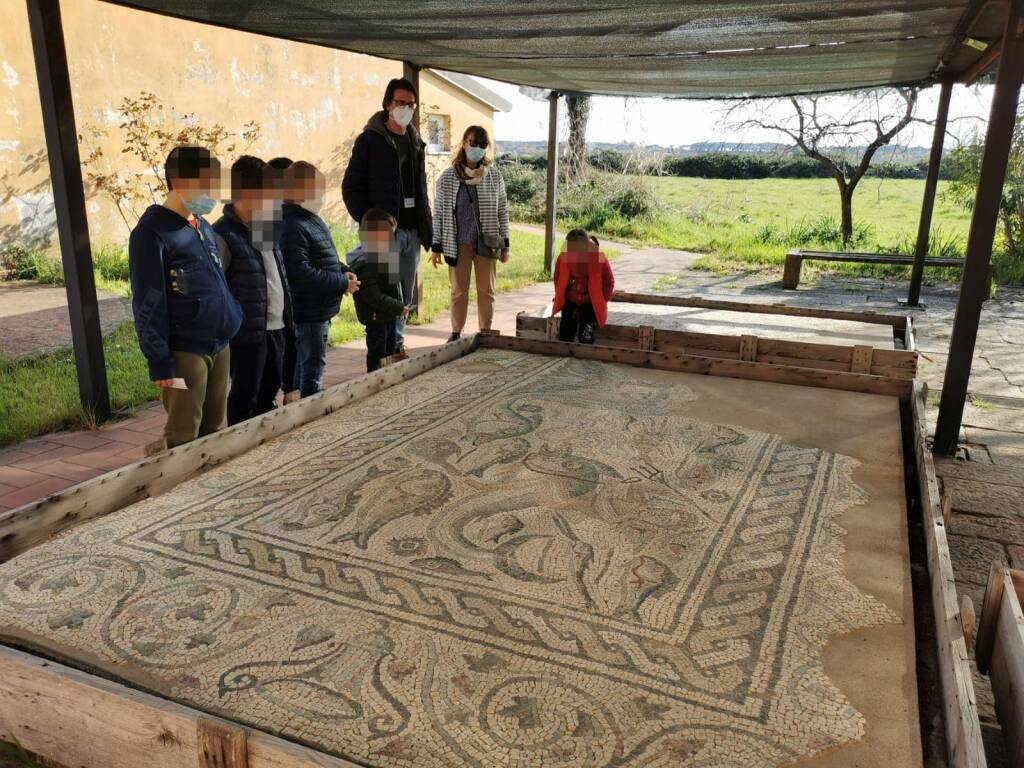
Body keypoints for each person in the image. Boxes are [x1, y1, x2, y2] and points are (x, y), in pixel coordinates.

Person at [128, 146, 242, 448]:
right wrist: (160, 363)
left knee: (214, 428)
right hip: (184, 353)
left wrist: (233, 315)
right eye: (206, 184)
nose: (213, 193)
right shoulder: (151, 233)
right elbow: (147, 303)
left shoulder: (202, 225)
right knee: (183, 434)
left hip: (219, 344)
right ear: (178, 182)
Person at [342, 77, 433, 357]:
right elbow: (351, 187)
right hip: (385, 235)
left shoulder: (415, 140)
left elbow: (420, 188)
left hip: (411, 232)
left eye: (411, 104)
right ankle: (381, 353)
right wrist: (371, 223)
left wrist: (425, 226)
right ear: (387, 104)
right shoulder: (370, 140)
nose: (406, 109)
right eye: (400, 103)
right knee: (385, 295)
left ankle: (397, 345)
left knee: (404, 296)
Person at [213, 155, 291, 425]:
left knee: (270, 390)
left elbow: (276, 272)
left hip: (275, 326)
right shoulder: (222, 234)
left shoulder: (265, 226)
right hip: (247, 334)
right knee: (245, 396)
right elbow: (217, 289)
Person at [281, 161, 359, 397]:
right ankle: (309, 408)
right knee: (312, 367)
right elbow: (300, 272)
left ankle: (297, 402)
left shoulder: (310, 219)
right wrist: (341, 283)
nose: (322, 195)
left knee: (306, 363)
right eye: (318, 188)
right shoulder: (292, 225)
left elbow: (325, 256)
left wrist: (344, 271)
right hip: (309, 310)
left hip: (321, 307)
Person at [430, 125, 509, 342]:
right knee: (458, 291)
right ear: (464, 143)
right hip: (458, 244)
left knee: (486, 291)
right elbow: (439, 214)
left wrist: (506, 246)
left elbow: (502, 211)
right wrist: (436, 247)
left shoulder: (494, 177)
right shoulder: (447, 178)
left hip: (487, 244)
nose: (477, 148)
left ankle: (486, 331)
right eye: (473, 142)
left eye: (482, 144)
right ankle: (456, 331)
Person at [348, 209, 411, 372]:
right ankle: (374, 380)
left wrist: (400, 305)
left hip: (388, 315)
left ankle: (386, 377)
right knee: (377, 354)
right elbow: (373, 296)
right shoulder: (364, 263)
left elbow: (395, 286)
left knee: (389, 351)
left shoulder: (384, 257)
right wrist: (398, 306)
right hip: (376, 317)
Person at [267, 156, 300, 404]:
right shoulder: (267, 218)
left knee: (293, 345)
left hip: (292, 295)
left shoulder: (294, 213)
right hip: (273, 302)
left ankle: (291, 391)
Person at [552, 228, 615, 345]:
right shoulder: (563, 257)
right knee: (565, 336)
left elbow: (609, 282)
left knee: (586, 337)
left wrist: (601, 300)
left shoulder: (599, 257)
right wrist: (560, 295)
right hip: (570, 300)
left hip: (590, 302)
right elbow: (557, 278)